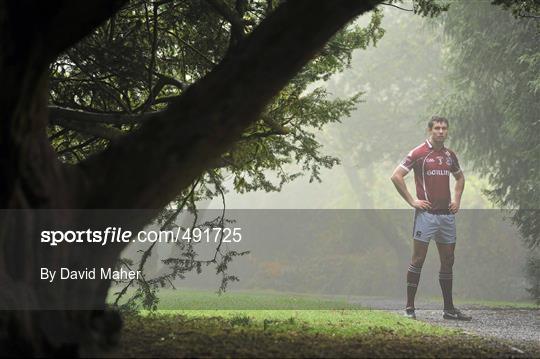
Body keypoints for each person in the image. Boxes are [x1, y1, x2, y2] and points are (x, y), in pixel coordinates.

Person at [390, 116, 471, 321]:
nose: (441, 131)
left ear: (447, 131)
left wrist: (457, 200)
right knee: (418, 259)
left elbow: (460, 177)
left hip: (446, 216)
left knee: (448, 261)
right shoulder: (419, 153)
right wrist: (412, 201)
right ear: (430, 130)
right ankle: (409, 307)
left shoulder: (449, 155)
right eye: (437, 128)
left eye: (444, 128)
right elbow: (396, 175)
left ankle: (449, 309)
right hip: (426, 216)